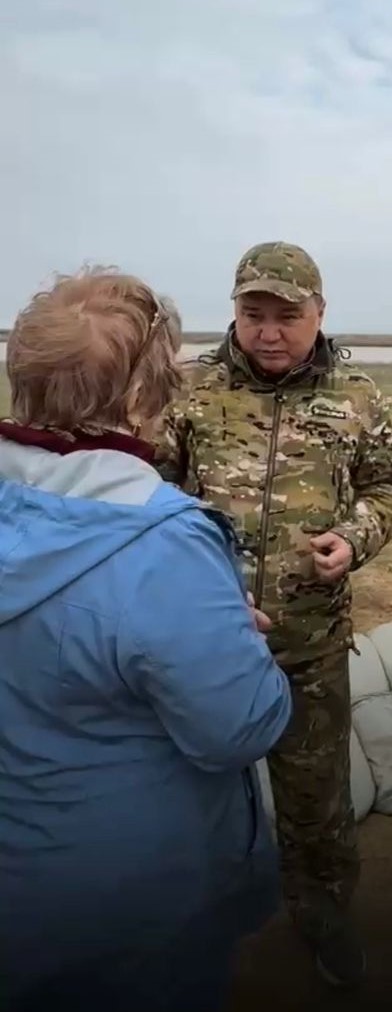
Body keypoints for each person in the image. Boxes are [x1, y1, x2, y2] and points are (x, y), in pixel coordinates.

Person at [0, 268, 292, 1012]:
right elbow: (239, 727)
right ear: (140, 396)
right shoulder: (164, 544)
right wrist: (237, 639)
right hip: (129, 906)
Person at [158, 241, 392, 988]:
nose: (269, 332)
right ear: (233, 313)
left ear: (320, 314)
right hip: (207, 644)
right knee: (190, 789)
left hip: (311, 644)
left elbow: (391, 486)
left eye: (287, 316)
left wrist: (354, 537)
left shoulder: (357, 395)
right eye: (253, 314)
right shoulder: (189, 391)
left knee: (316, 800)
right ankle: (185, 918)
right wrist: (198, 582)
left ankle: (324, 913)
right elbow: (148, 496)